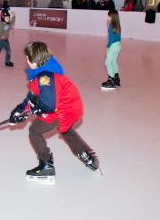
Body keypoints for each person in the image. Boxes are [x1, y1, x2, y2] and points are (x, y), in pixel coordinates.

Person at [9, 41, 101, 185]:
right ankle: (87, 156)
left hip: (62, 108)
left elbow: (48, 105)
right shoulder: (42, 71)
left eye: (28, 58)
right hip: (70, 106)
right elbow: (33, 96)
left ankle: (46, 165)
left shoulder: (45, 77)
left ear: (35, 61)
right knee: (66, 131)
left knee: (34, 131)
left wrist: (32, 110)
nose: (26, 61)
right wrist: (20, 110)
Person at [101, 10, 121, 90]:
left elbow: (111, 39)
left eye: (108, 16)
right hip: (118, 45)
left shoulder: (111, 26)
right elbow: (117, 38)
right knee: (113, 62)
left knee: (108, 62)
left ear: (112, 17)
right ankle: (116, 78)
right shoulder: (117, 25)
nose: (107, 17)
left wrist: (107, 47)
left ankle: (111, 80)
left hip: (113, 46)